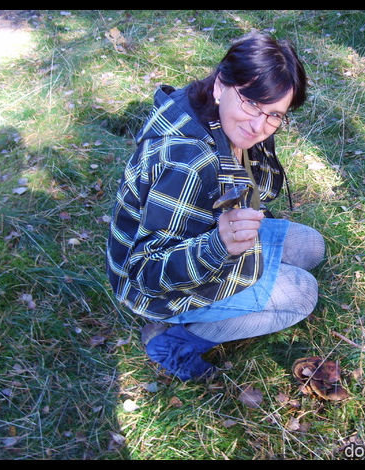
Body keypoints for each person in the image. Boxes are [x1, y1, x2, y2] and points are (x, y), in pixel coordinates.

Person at [106, 31, 325, 381]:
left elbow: (256, 186)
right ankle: (174, 343)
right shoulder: (189, 162)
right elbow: (145, 272)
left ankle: (233, 291)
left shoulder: (218, 111)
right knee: (301, 293)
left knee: (312, 246)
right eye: (252, 104)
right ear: (222, 84)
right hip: (155, 283)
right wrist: (218, 246)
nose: (260, 126)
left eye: (275, 115)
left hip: (209, 235)